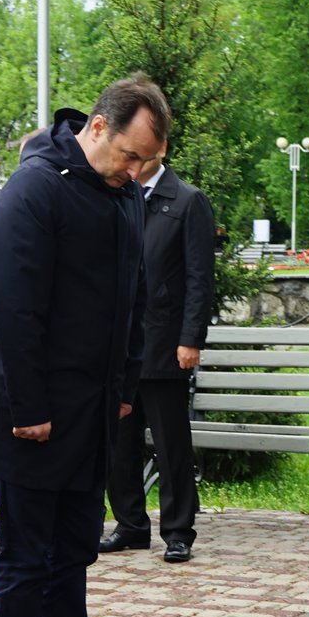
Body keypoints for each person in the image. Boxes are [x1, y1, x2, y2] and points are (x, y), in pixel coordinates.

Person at [0, 76, 167, 617]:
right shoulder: (35, 189)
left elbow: (132, 299)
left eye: (147, 161)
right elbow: (16, 306)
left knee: (73, 551)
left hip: (93, 410)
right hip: (34, 411)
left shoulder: (120, 196)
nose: (137, 171)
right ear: (97, 127)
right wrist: (28, 404)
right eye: (130, 155)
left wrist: (123, 387)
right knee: (28, 556)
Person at [100, 153, 215, 563]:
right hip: (122, 346)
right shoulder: (120, 195)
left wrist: (190, 338)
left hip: (166, 344)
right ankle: (130, 525)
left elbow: (200, 276)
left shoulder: (187, 200)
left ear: (159, 147)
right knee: (120, 443)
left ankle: (178, 531)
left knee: (171, 446)